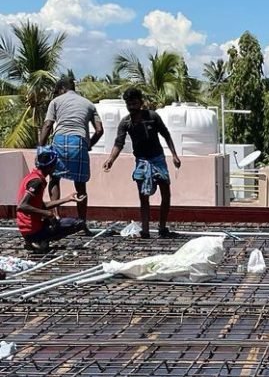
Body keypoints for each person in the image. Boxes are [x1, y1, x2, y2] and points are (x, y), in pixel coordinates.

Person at [102, 88, 181, 239]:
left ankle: (162, 227)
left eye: (134, 103)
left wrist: (174, 155)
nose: (132, 106)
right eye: (129, 104)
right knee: (143, 196)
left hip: (158, 158)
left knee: (166, 192)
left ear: (140, 103)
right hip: (142, 161)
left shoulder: (152, 117)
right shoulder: (126, 123)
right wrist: (111, 159)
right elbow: (119, 143)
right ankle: (145, 230)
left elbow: (166, 134)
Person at [37, 73, 103, 227]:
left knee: (54, 179)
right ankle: (81, 222)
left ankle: (55, 218)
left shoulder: (56, 102)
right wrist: (89, 145)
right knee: (80, 184)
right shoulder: (89, 104)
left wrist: (41, 147)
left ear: (62, 89)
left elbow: (47, 125)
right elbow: (100, 130)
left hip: (59, 141)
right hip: (79, 142)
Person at [17, 147, 88, 252]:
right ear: (49, 167)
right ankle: (39, 241)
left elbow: (41, 206)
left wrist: (67, 199)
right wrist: (47, 213)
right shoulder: (36, 182)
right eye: (54, 165)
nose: (56, 167)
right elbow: (22, 206)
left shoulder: (33, 177)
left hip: (29, 229)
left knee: (61, 222)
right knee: (78, 223)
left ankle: (36, 240)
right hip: (32, 230)